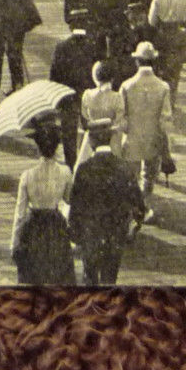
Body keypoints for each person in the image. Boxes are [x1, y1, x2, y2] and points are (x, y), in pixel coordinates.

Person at [67, 120, 145, 285]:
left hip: (91, 235)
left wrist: (74, 232)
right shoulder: (124, 167)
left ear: (92, 141)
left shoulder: (84, 169)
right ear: (109, 139)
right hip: (115, 235)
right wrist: (134, 226)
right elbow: (138, 203)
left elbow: (75, 204)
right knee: (110, 281)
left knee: (90, 279)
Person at [9, 116, 76, 286]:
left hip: (33, 225)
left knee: (32, 274)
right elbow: (69, 200)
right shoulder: (65, 172)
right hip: (55, 225)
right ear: (56, 148)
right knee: (57, 273)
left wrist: (14, 242)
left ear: (38, 149)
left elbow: (20, 213)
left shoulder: (28, 175)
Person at [118, 41, 173, 218]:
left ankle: (131, 209)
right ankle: (144, 206)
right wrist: (167, 147)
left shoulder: (126, 86)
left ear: (137, 62)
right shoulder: (163, 87)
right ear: (154, 62)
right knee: (149, 175)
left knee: (131, 176)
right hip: (153, 139)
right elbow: (165, 120)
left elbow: (122, 117)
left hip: (132, 139)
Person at [50, 28, 104, 168]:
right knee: (93, 130)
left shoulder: (61, 46)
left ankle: (71, 166)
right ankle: (92, 162)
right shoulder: (93, 45)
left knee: (69, 135)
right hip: (89, 95)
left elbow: (54, 75)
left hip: (68, 97)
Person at [2, 0, 39, 90]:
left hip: (15, 22)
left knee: (13, 54)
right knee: (15, 52)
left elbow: (14, 2)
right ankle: (17, 83)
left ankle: (17, 84)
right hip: (22, 20)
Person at [78, 61, 125, 166]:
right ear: (112, 79)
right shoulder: (117, 97)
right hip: (111, 139)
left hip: (92, 138)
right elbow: (119, 120)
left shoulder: (87, 95)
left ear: (94, 77)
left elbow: (85, 116)